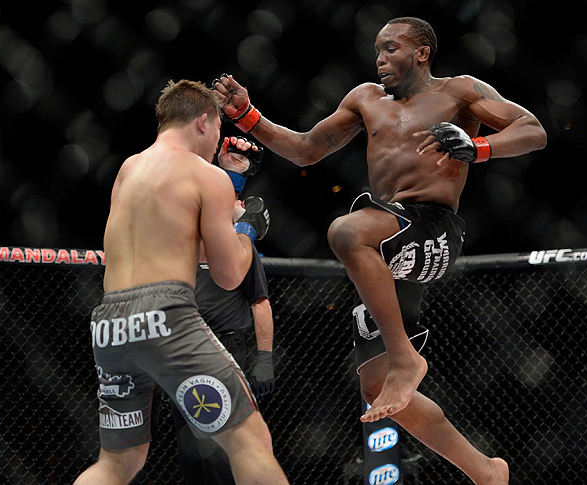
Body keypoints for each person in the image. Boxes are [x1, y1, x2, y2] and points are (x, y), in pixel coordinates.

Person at [212, 16, 546, 485]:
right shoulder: (365, 99)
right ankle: (486, 471)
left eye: (391, 48)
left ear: (422, 52)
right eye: (377, 50)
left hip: (432, 228)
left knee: (346, 232)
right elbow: (306, 149)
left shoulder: (460, 92)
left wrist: (478, 146)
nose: (380, 58)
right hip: (387, 247)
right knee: (375, 386)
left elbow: (533, 130)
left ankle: (406, 357)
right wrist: (250, 117)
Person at [74, 79, 288, 485]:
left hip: (109, 321)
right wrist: (247, 228)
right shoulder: (206, 177)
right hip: (164, 313)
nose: (218, 142)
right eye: (220, 131)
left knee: (118, 462)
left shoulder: (128, 168)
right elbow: (228, 274)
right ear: (205, 121)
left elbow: (179, 244)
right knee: (250, 440)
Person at [171, 156, 277, 485]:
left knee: (228, 445)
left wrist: (264, 356)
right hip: (185, 348)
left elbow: (260, 302)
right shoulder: (181, 247)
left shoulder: (238, 250)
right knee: (192, 446)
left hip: (227, 348)